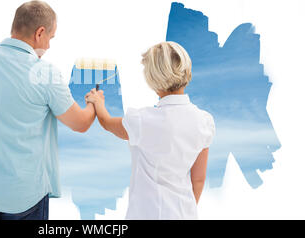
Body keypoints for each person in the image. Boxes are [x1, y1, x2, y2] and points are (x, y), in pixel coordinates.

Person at [0, 0, 96, 220]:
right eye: (51, 38)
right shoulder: (45, 73)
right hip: (24, 196)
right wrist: (93, 103)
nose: (49, 46)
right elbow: (80, 123)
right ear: (40, 33)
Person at [85, 41, 215, 219]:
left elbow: (107, 122)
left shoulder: (141, 121)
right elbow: (198, 179)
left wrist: (98, 102)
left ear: (153, 80)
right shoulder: (205, 122)